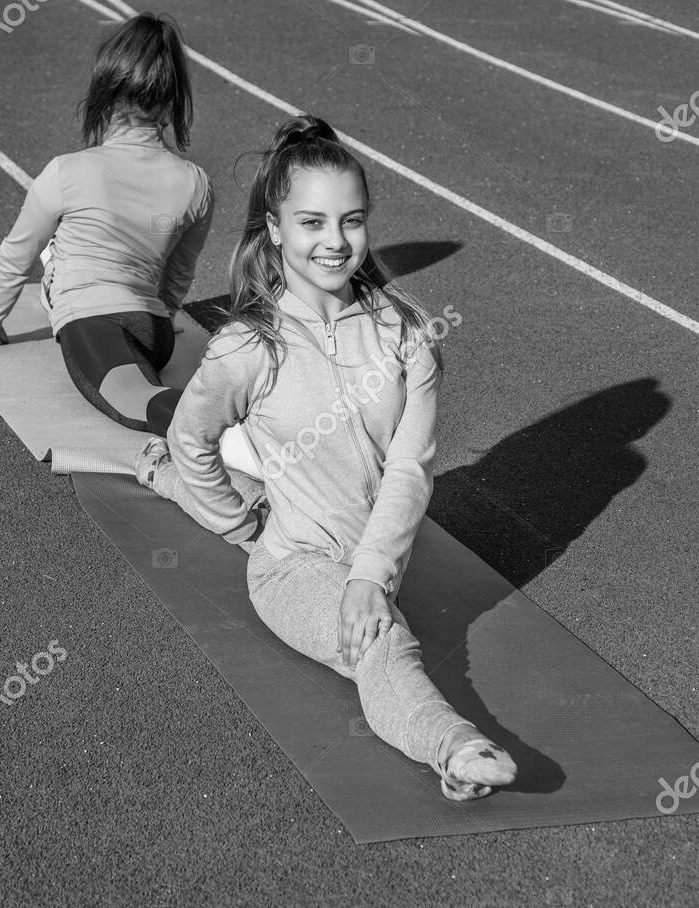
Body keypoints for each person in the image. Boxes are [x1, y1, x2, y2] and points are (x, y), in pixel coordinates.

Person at [136, 116, 517, 801]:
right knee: (379, 640)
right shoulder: (247, 347)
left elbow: (410, 469)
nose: (335, 242)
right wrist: (238, 525)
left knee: (367, 602)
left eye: (352, 221)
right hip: (290, 570)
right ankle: (453, 745)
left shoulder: (406, 338)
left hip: (365, 556)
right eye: (311, 222)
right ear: (276, 228)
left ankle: (170, 484)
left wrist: (371, 573)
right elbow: (191, 438)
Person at [0, 12, 208, 437]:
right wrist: (164, 316)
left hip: (92, 322)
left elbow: (15, 256)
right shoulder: (195, 183)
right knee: (139, 384)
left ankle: (234, 436)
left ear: (104, 96)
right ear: (171, 102)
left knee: (140, 404)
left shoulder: (66, 171)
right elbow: (178, 274)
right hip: (155, 332)